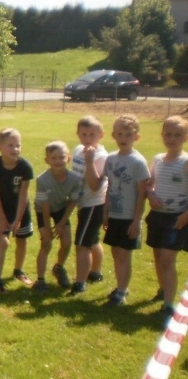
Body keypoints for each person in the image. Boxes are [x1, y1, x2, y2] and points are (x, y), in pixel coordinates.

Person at [103, 114, 150, 306]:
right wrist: (106, 214)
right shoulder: (111, 159)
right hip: (114, 214)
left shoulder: (138, 161)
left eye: (128, 134)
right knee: (116, 251)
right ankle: (121, 286)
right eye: (120, 134)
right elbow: (109, 187)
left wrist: (136, 220)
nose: (124, 138)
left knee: (124, 254)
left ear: (136, 136)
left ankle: (121, 292)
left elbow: (142, 193)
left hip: (129, 217)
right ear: (114, 135)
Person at [146, 116, 188, 320]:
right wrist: (151, 194)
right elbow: (149, 183)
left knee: (167, 259)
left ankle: (169, 304)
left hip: (177, 220)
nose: (172, 139)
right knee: (157, 257)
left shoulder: (186, 162)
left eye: (177, 135)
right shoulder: (158, 159)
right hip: (157, 217)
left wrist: (185, 216)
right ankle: (163, 289)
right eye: (168, 134)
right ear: (162, 136)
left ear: (185, 138)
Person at [0, 128, 34, 293]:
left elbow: (23, 195)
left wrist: (18, 218)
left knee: (22, 240)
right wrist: (2, 218)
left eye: (17, 145)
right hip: (2, 210)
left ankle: (18, 271)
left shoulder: (25, 167)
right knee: (3, 241)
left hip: (21, 210)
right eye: (10, 145)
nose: (15, 149)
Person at [32, 141, 81, 291]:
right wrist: (47, 230)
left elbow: (73, 200)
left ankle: (58, 268)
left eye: (62, 157)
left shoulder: (74, 178)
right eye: (54, 158)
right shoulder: (42, 180)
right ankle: (40, 280)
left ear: (68, 158)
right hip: (43, 210)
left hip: (61, 208)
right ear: (47, 161)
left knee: (66, 242)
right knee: (46, 243)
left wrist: (61, 223)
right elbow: (45, 207)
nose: (58, 161)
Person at [69, 115, 108, 296]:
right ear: (78, 134)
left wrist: (90, 161)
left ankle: (80, 282)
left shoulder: (101, 156)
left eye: (92, 134)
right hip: (81, 203)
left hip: (94, 204)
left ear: (101, 135)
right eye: (84, 134)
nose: (87, 138)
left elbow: (95, 185)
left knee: (82, 244)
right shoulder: (78, 149)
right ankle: (96, 273)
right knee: (92, 240)